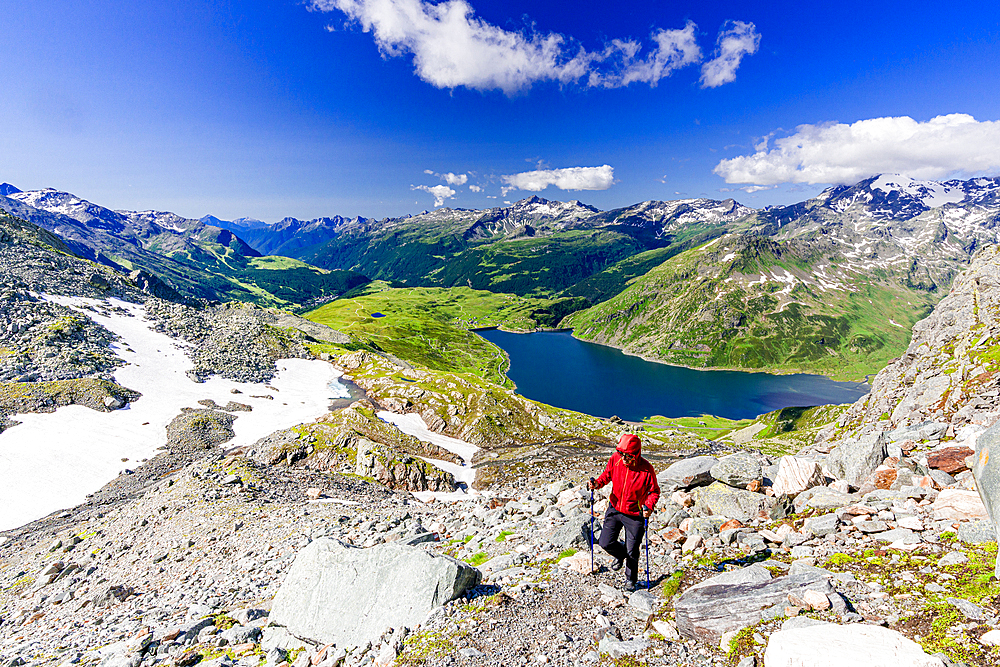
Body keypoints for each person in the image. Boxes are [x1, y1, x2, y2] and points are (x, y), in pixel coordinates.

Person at [587, 432, 660, 591]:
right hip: (614, 508)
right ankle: (620, 555)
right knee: (605, 542)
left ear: (636, 454)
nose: (623, 458)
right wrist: (597, 484)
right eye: (621, 453)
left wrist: (648, 506)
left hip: (635, 514)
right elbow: (607, 476)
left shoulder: (646, 470)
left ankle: (630, 580)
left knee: (633, 549)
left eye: (627, 455)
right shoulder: (615, 459)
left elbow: (654, 492)